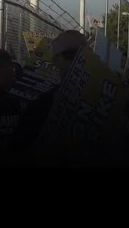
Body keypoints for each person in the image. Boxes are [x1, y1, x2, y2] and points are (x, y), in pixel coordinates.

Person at [10, 30, 88, 161]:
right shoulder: (39, 108)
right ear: (56, 60)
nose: (80, 60)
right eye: (71, 55)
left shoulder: (110, 104)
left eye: (86, 55)